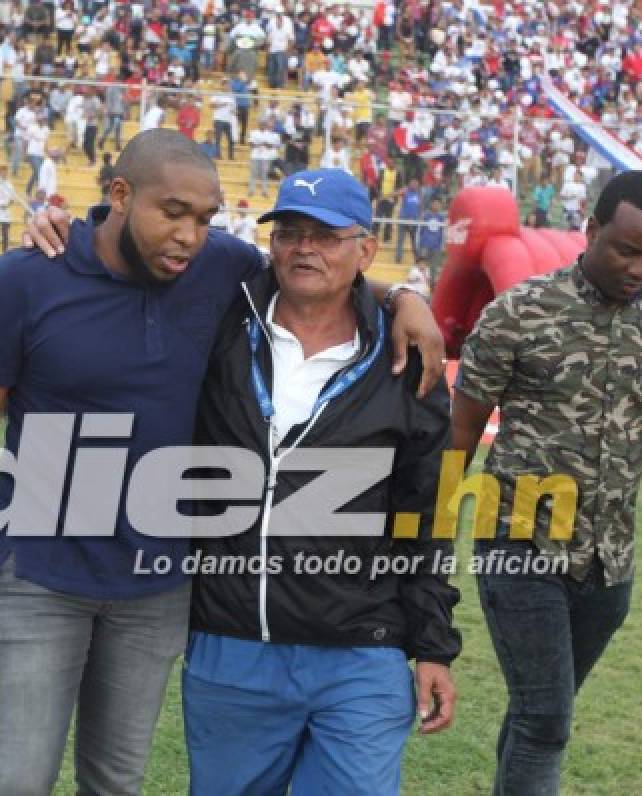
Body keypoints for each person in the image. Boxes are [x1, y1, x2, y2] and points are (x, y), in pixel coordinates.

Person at [0, 130, 446, 795]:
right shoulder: (25, 278)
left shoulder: (217, 268)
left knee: (115, 784)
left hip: (157, 586)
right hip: (42, 578)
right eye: (173, 212)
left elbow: (323, 269)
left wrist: (404, 299)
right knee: (15, 780)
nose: (188, 234)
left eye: (205, 218)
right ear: (120, 196)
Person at [184, 169, 460, 794]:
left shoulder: (406, 360)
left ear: (365, 249)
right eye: (289, 232)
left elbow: (428, 512)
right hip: (232, 643)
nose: (304, 248)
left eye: (326, 235)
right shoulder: (224, 322)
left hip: (361, 650)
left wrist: (434, 647)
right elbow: (141, 236)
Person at [451, 170, 642, 795]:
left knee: (538, 715)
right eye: (626, 250)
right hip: (519, 541)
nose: (640, 267)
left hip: (610, 561)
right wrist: (427, 530)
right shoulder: (517, 313)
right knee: (547, 719)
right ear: (593, 229)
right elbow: (461, 430)